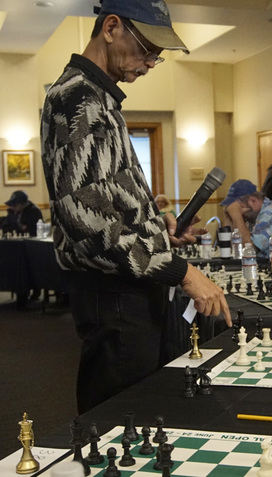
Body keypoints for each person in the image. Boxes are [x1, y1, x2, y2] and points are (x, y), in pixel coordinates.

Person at [40, 0, 231, 414]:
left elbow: (105, 202)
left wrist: (158, 228)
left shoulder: (99, 98)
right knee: (121, 427)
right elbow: (89, 229)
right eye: (147, 49)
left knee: (148, 417)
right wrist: (184, 272)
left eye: (158, 56)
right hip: (114, 297)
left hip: (132, 291)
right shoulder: (77, 100)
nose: (151, 63)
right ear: (111, 27)